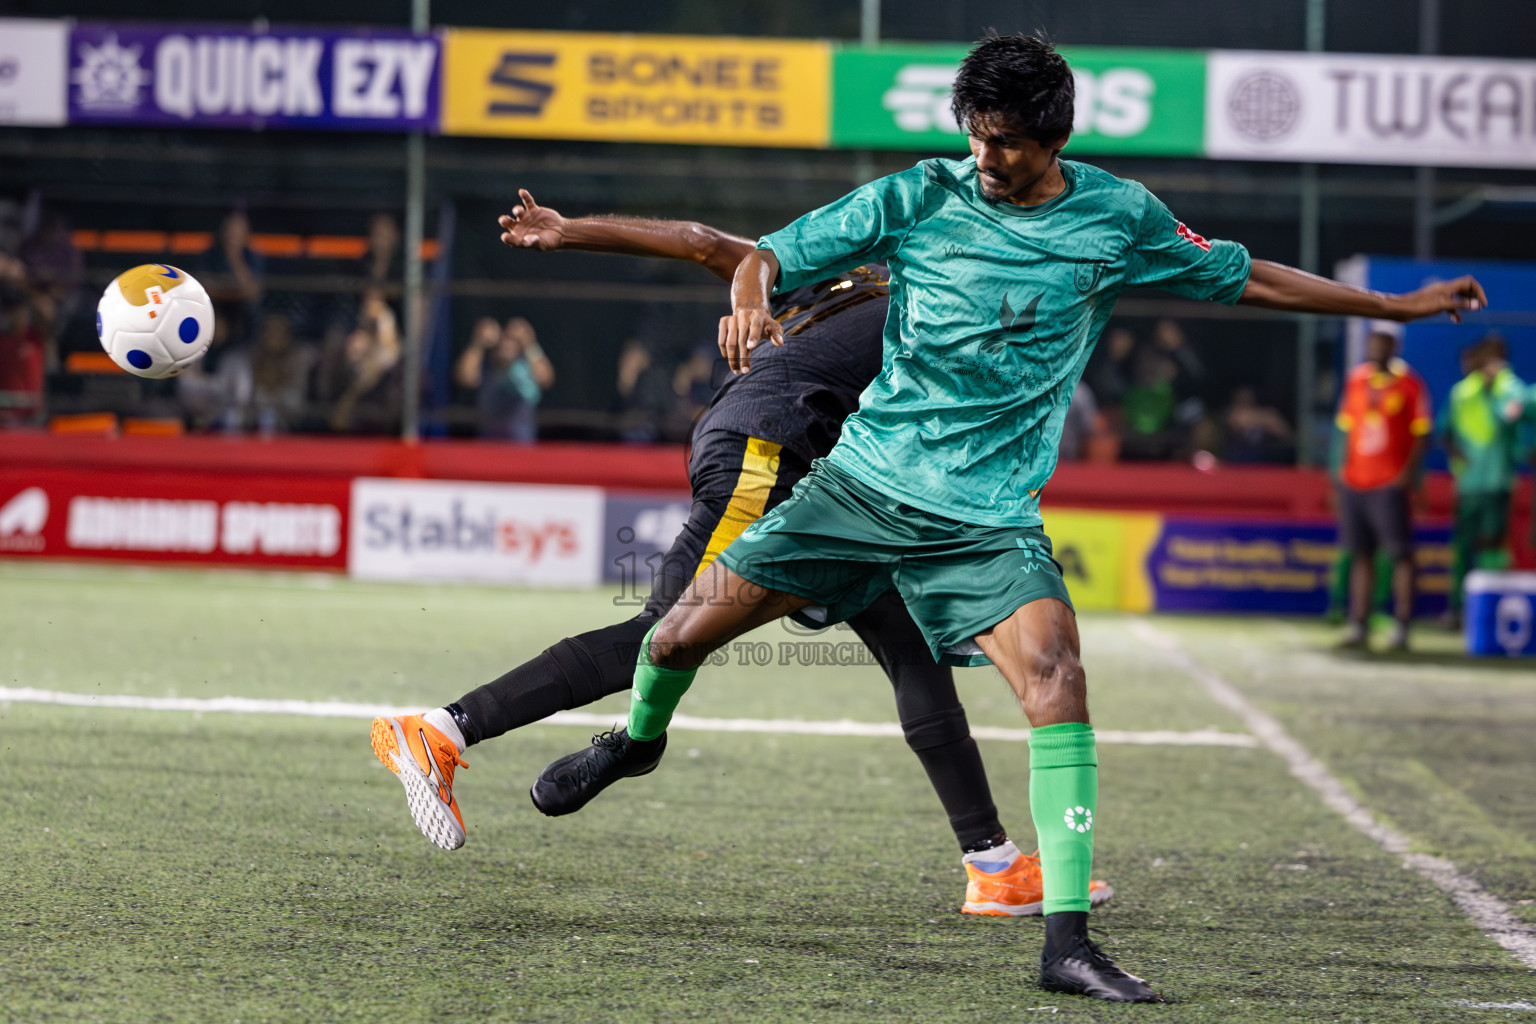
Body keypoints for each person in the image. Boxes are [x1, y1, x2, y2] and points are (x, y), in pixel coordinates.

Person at [531, 34, 1488, 1003]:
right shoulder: (919, 195)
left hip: (985, 520)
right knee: (678, 635)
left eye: (1010, 144)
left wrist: (1392, 306)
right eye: (979, 137)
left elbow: (1252, 276)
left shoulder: (1118, 218)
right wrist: (747, 297)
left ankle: (1066, 942)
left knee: (1057, 678)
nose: (990, 159)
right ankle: (638, 742)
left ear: (1054, 137)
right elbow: (768, 254)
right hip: (858, 489)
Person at [370, 188, 1114, 920]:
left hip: (834, 474)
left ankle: (993, 866)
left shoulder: (839, 278)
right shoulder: (932, 291)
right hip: (776, 446)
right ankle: (444, 730)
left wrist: (570, 230)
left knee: (909, 643)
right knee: (663, 634)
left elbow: (700, 241)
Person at [1334, 322, 1434, 651]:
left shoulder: (1410, 384)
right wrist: (1339, 473)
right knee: (1361, 553)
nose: (1376, 347)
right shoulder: (1356, 380)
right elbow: (1347, 430)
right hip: (1356, 481)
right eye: (1373, 341)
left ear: (1396, 346)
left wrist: (1407, 475)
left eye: (1384, 342)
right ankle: (1358, 622)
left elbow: (1423, 434)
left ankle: (1403, 624)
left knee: (1400, 553)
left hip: (1389, 483)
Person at [1438, 335, 1526, 625]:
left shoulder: (1512, 387)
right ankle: (1458, 609)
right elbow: (1444, 431)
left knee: (1494, 543)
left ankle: (1492, 611)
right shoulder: (1462, 391)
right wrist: (1460, 460)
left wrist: (1493, 391)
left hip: (1498, 480)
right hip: (1469, 483)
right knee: (1464, 545)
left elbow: (1511, 418)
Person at [455, 315, 554, 442]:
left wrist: (530, 344)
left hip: (522, 449)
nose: (507, 344)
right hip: (488, 448)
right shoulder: (486, 367)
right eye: (503, 339)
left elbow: (546, 379)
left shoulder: (527, 366)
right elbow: (465, 378)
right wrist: (477, 343)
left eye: (512, 340)